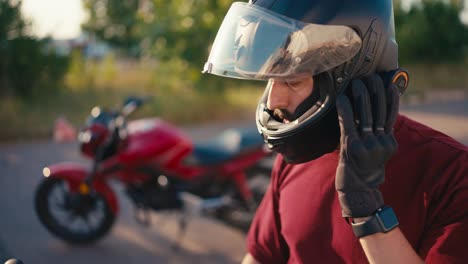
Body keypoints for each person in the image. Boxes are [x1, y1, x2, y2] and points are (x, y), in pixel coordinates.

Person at [203, 0, 468, 263]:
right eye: (270, 78)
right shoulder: (293, 162)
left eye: (292, 80)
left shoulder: (451, 174)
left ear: (355, 75)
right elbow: (261, 258)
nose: (273, 102)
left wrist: (368, 211)